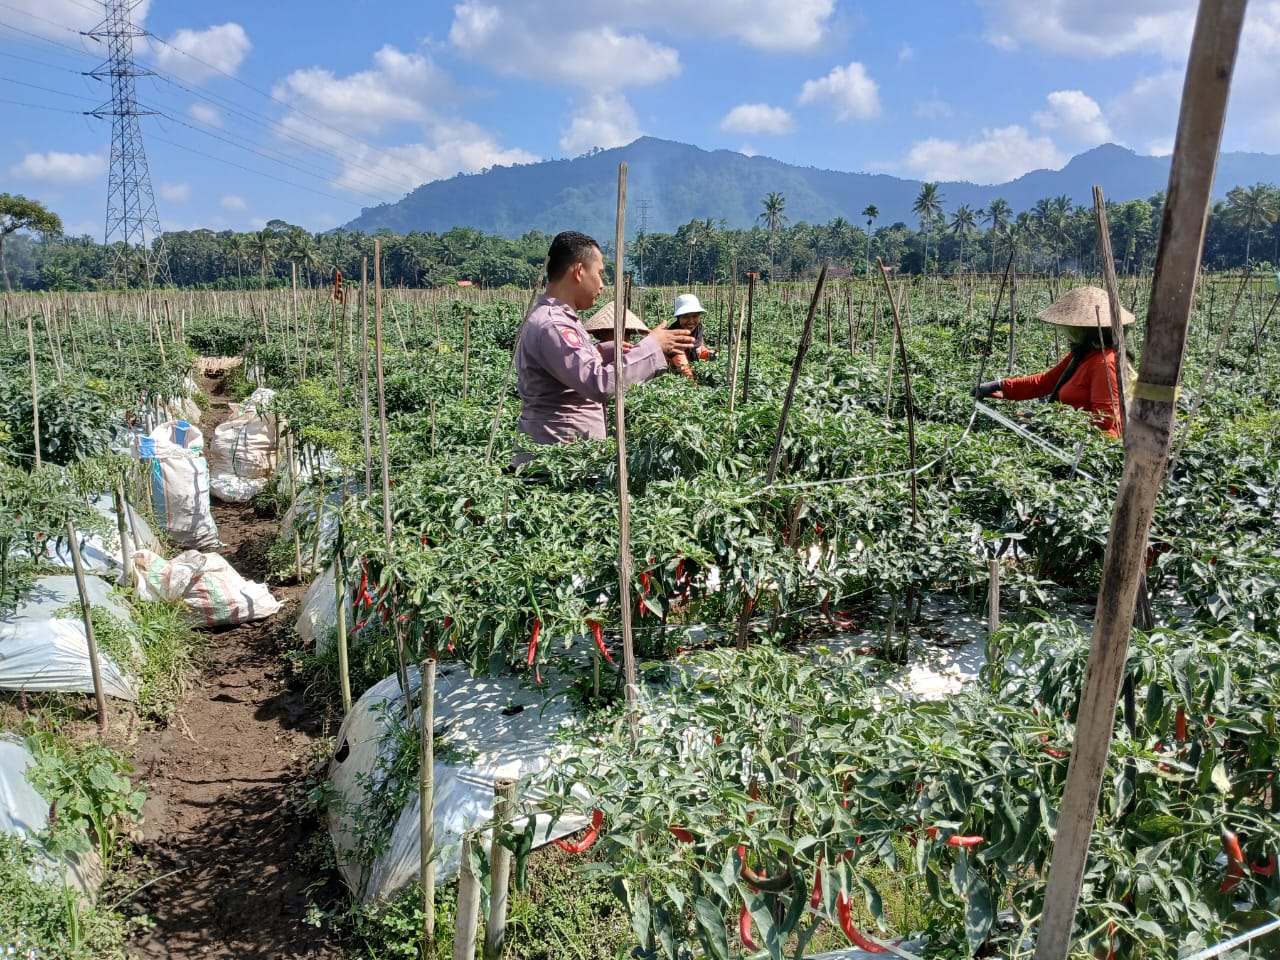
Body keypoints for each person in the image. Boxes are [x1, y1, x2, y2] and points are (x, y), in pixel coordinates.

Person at [514, 231, 695, 458]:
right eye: (599, 274)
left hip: (560, 452)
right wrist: (652, 347)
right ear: (579, 271)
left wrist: (601, 351)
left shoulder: (552, 318)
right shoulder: (554, 325)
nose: (602, 285)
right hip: (559, 459)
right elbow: (598, 384)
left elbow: (564, 371)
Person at [971, 286, 1134, 437]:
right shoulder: (1083, 353)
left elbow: (1104, 421)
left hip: (1091, 446)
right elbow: (1046, 382)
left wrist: (1051, 421)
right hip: (1069, 435)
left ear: (1083, 329)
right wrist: (1000, 385)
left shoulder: (1105, 363)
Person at [581, 301, 649, 346]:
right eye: (619, 333)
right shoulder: (594, 355)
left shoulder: (629, 354)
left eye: (627, 333)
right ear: (602, 333)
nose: (626, 338)